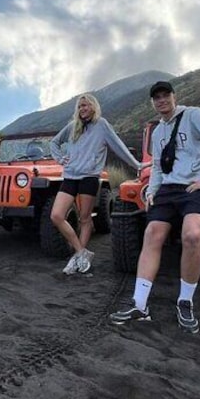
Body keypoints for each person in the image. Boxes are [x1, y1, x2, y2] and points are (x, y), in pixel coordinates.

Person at [109, 81, 200, 333]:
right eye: (157, 97)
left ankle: (185, 301)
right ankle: (139, 304)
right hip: (168, 187)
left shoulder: (193, 115)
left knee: (193, 235)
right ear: (152, 102)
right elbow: (156, 166)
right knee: (152, 233)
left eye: (166, 95)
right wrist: (152, 190)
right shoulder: (157, 132)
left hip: (196, 187)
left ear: (174, 97)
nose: (161, 100)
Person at [50, 93, 142, 275]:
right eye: (80, 106)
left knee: (85, 218)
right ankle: (81, 253)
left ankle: (77, 260)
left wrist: (137, 165)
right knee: (56, 215)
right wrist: (60, 159)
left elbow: (118, 146)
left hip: (89, 177)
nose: (83, 109)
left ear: (93, 106)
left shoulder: (102, 125)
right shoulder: (72, 126)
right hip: (70, 176)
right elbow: (54, 142)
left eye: (86, 105)